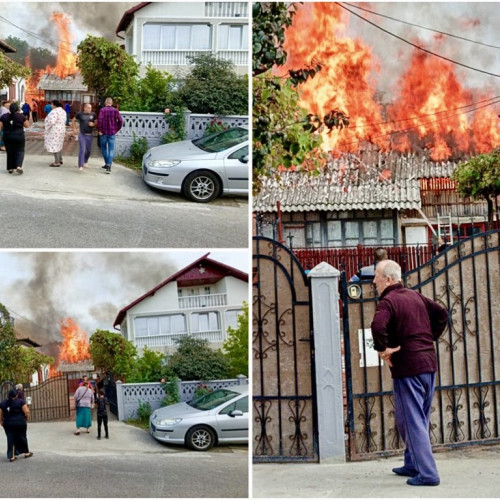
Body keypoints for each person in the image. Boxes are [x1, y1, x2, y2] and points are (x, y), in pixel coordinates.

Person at [371, 259, 448, 487]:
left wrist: (383, 349)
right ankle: (412, 464)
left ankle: (428, 474)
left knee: (411, 421)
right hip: (428, 364)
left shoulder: (388, 301)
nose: (374, 280)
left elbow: (377, 326)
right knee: (415, 418)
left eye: (376, 274)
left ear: (388, 279)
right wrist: (427, 339)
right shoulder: (415, 296)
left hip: (408, 367)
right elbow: (442, 313)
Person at [0, 389, 33, 462]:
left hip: (8, 423)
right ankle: (26, 453)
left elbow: (1, 413)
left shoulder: (3, 403)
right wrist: (26, 418)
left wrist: (1, 421)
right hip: (20, 422)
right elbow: (27, 411)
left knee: (10, 438)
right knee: (22, 436)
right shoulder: (21, 401)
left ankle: (12, 456)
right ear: (16, 395)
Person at [0, 102, 29, 174]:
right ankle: (18, 166)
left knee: (10, 151)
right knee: (20, 150)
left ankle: (10, 168)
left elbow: (0, 127)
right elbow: (27, 125)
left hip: (7, 136)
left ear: (9, 109)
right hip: (19, 136)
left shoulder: (4, 116)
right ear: (17, 109)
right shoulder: (21, 116)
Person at [97, 97, 123, 174]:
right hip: (112, 133)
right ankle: (108, 165)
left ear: (105, 103)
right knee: (111, 149)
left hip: (103, 133)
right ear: (111, 103)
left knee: (103, 148)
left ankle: (107, 164)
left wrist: (99, 130)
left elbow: (99, 120)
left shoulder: (102, 110)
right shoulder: (115, 110)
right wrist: (116, 129)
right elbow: (121, 121)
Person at [72, 103, 96, 170]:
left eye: (90, 108)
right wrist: (74, 128)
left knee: (88, 151)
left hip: (89, 135)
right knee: (82, 149)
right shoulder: (79, 114)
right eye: (88, 108)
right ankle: (80, 165)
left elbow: (96, 123)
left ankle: (85, 161)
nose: (89, 109)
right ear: (84, 108)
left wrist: (93, 124)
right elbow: (73, 120)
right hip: (82, 134)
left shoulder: (93, 114)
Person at [44, 100, 67, 167]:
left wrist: (46, 126)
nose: (51, 106)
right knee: (59, 145)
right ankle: (60, 159)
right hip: (61, 130)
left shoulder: (54, 111)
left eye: (51, 104)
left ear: (54, 105)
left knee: (54, 145)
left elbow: (51, 122)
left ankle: (57, 162)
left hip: (54, 131)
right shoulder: (63, 111)